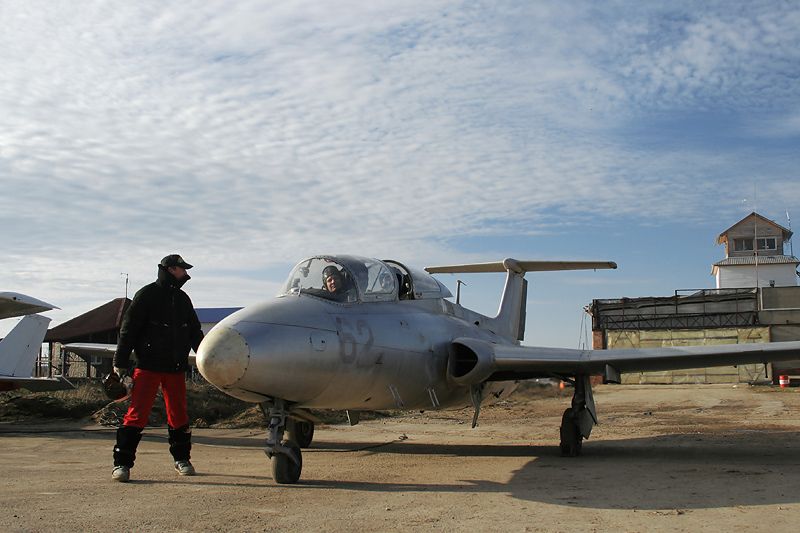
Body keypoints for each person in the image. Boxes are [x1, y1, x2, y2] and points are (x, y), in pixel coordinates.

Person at [110, 254, 204, 482]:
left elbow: (195, 332)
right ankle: (121, 464)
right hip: (148, 366)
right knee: (137, 414)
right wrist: (119, 362)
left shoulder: (183, 299)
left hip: (176, 367)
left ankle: (182, 460)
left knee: (179, 415)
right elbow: (128, 329)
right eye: (183, 269)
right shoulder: (146, 295)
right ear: (171, 269)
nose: (186, 273)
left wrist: (206, 358)